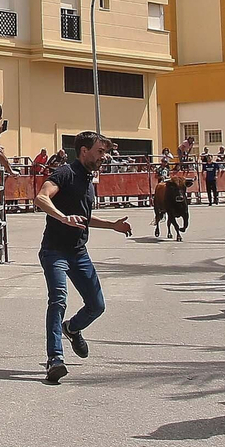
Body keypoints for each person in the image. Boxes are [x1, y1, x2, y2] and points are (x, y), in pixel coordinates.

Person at [33, 131, 132, 384]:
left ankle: (72, 328)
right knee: (58, 300)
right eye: (100, 151)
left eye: (105, 152)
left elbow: (84, 218)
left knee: (97, 306)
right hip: (54, 251)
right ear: (84, 151)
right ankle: (55, 359)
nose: (104, 156)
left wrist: (112, 225)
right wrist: (62, 217)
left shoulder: (88, 180)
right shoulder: (65, 173)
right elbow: (41, 197)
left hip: (79, 253)